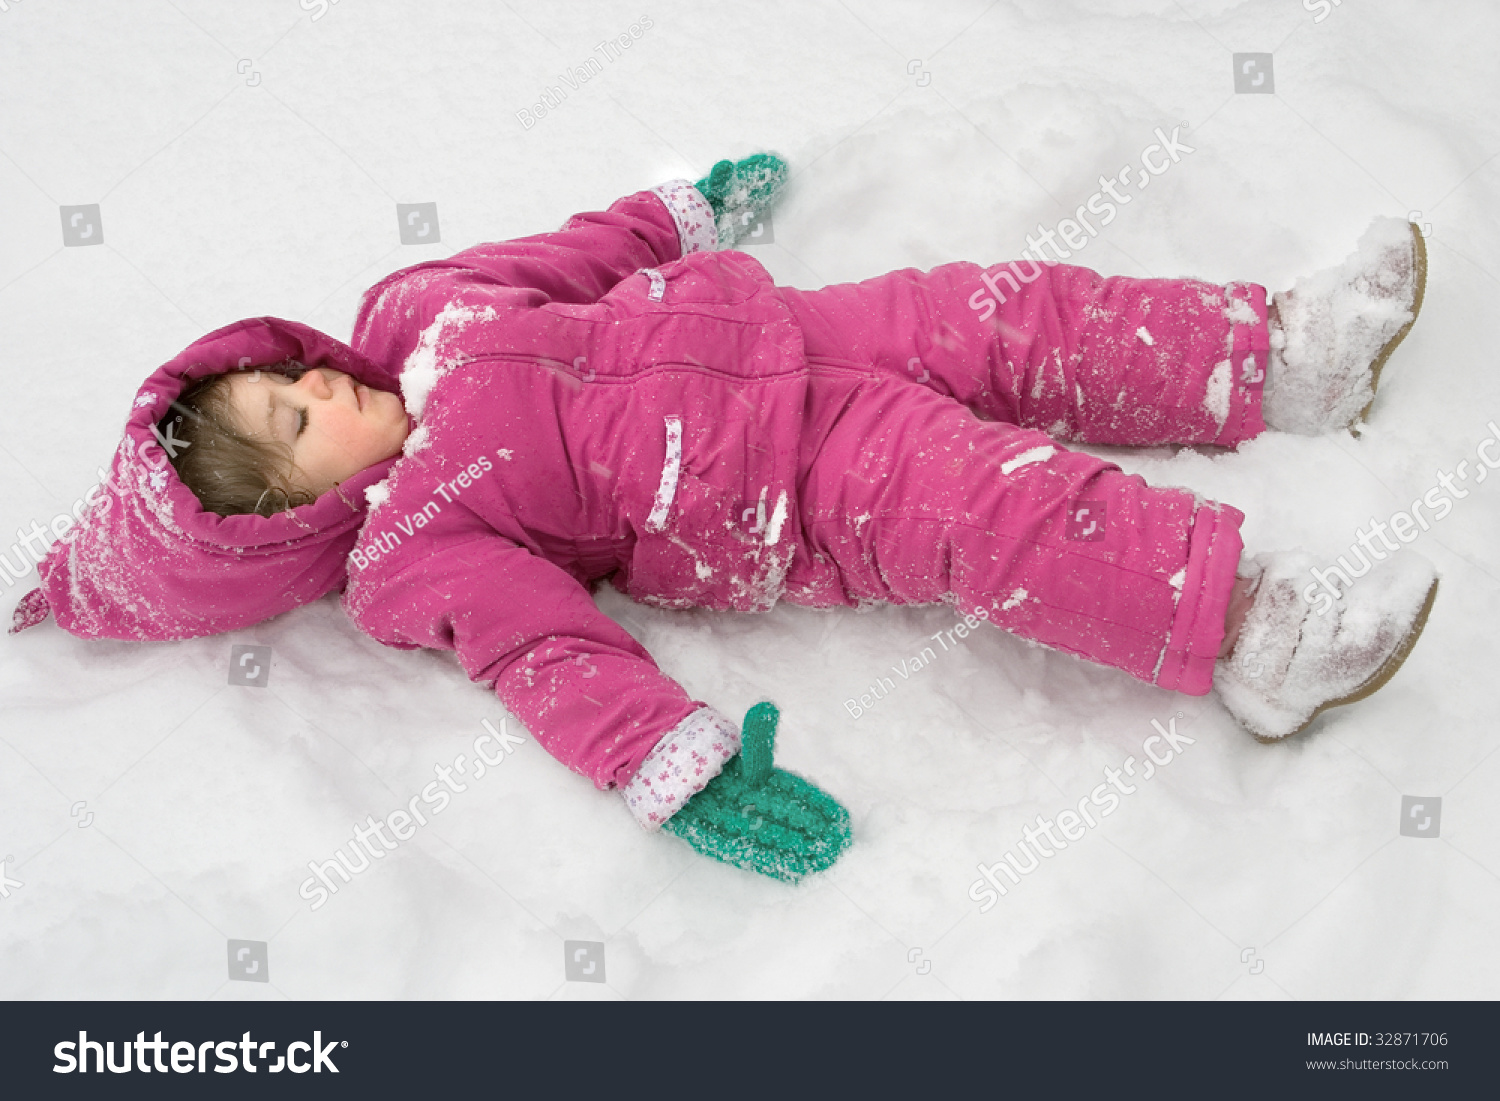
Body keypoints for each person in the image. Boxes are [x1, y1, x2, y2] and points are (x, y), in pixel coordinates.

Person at [10, 155, 1437, 883]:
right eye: (297, 427)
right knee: (998, 507)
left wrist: (675, 213)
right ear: (299, 519)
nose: (319, 383)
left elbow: (559, 256)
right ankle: (1248, 633)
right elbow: (543, 655)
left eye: (288, 375)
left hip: (800, 328)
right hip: (785, 487)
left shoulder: (414, 309)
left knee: (1019, 309)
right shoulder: (411, 551)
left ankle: (1275, 351)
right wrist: (677, 769)